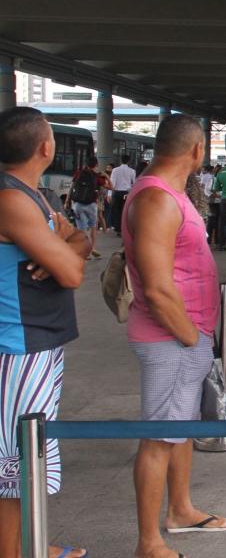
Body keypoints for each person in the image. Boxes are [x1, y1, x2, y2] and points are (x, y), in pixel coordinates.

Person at [122, 114, 226, 558]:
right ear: (197, 151)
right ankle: (150, 543)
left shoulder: (168, 194)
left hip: (185, 337)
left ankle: (181, 509)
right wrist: (191, 337)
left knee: (180, 428)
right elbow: (157, 288)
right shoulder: (156, 200)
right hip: (170, 338)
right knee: (158, 437)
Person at [0, 107, 90, 558]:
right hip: (17, 345)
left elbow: (81, 241)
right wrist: (65, 249)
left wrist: (66, 244)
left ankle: (26, 543)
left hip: (38, 341)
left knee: (28, 453)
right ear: (45, 147)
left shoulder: (34, 196)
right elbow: (74, 272)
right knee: (16, 460)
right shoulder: (11, 200)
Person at [66, 156, 105, 260]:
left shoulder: (79, 173)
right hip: (92, 204)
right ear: (96, 165)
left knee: (81, 229)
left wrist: (66, 202)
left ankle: (85, 252)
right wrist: (106, 176)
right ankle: (92, 248)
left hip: (78, 204)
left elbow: (71, 187)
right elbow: (111, 187)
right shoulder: (97, 177)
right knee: (93, 226)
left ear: (86, 164)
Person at [110, 154, 136, 233]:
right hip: (127, 192)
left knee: (117, 210)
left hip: (117, 192)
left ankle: (118, 228)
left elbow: (112, 182)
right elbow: (134, 182)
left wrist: (109, 194)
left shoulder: (115, 170)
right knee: (125, 211)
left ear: (120, 161)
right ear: (129, 161)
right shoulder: (132, 171)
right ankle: (125, 228)